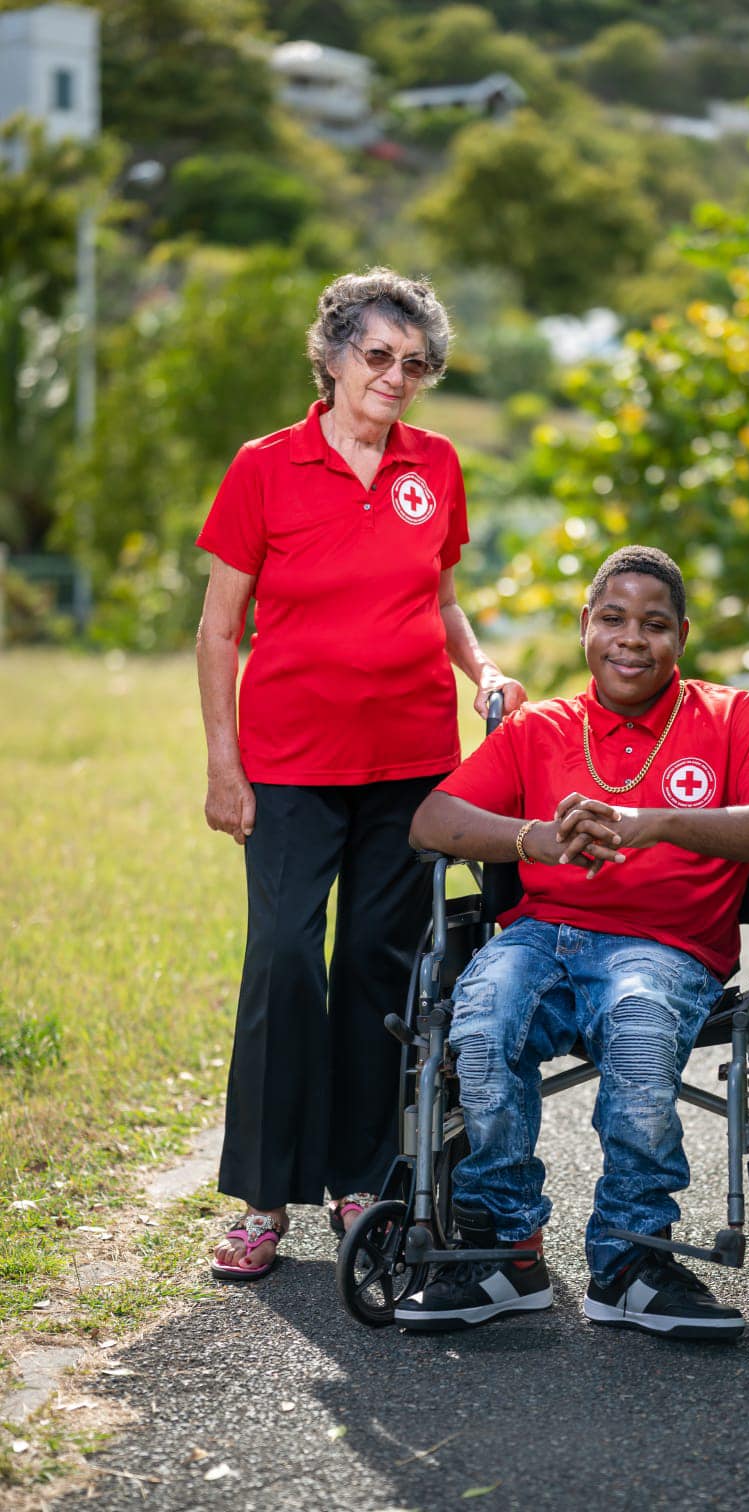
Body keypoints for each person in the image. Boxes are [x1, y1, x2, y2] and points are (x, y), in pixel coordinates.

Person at [396, 545, 749, 1338]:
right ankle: (503, 1252)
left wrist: (656, 824)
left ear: (681, 637)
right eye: (615, 619)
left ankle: (631, 1259)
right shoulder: (540, 728)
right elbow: (431, 821)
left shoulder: (735, 718)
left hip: (665, 946)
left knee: (636, 1026)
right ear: (585, 626)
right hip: (539, 939)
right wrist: (534, 839)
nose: (633, 639)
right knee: (482, 1024)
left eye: (655, 625)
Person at [196, 267, 525, 1281]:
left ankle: (361, 1181)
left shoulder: (438, 464)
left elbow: (441, 600)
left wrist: (483, 670)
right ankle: (262, 1199)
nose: (395, 376)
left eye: (415, 365)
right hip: (289, 767)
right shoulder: (265, 467)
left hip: (412, 766)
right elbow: (218, 630)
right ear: (333, 355)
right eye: (378, 355)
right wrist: (224, 766)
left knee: (381, 969)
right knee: (285, 961)